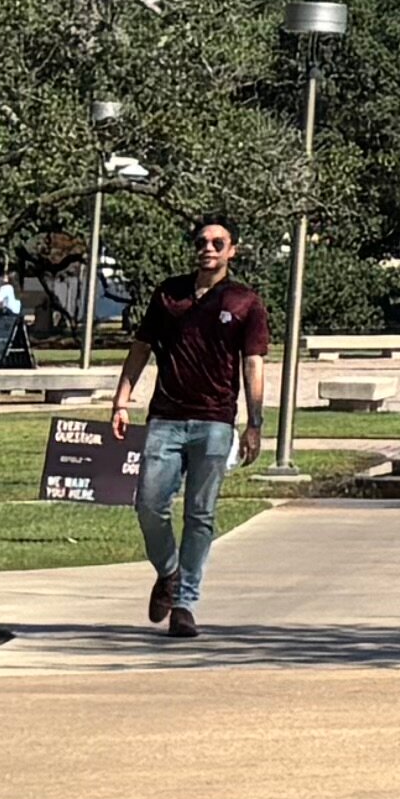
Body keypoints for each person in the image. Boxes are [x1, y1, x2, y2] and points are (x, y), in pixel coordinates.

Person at [105, 216, 270, 639]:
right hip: (166, 419)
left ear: (233, 249)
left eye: (218, 242)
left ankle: (185, 604)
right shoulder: (169, 294)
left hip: (215, 423)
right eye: (202, 241)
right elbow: (140, 348)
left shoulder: (244, 302)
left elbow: (253, 364)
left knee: (201, 515)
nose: (209, 248)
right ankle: (170, 570)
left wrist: (254, 423)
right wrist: (121, 401)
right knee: (149, 504)